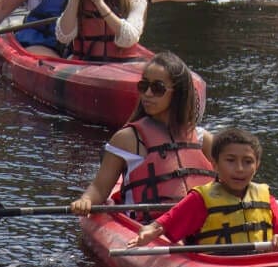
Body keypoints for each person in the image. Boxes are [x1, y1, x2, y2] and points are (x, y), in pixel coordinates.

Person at [68, 50, 215, 215]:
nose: (148, 94)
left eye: (157, 88)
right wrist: (85, 201)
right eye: (143, 86)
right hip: (145, 226)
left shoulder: (204, 140)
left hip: (198, 225)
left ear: (178, 93)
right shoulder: (127, 139)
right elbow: (99, 188)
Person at [122, 127, 278, 250]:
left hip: (261, 264)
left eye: (248, 162)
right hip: (216, 266)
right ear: (215, 165)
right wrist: (147, 232)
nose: (240, 169)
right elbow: (160, 225)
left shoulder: (266, 198)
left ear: (257, 165)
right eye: (230, 160)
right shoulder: (200, 199)